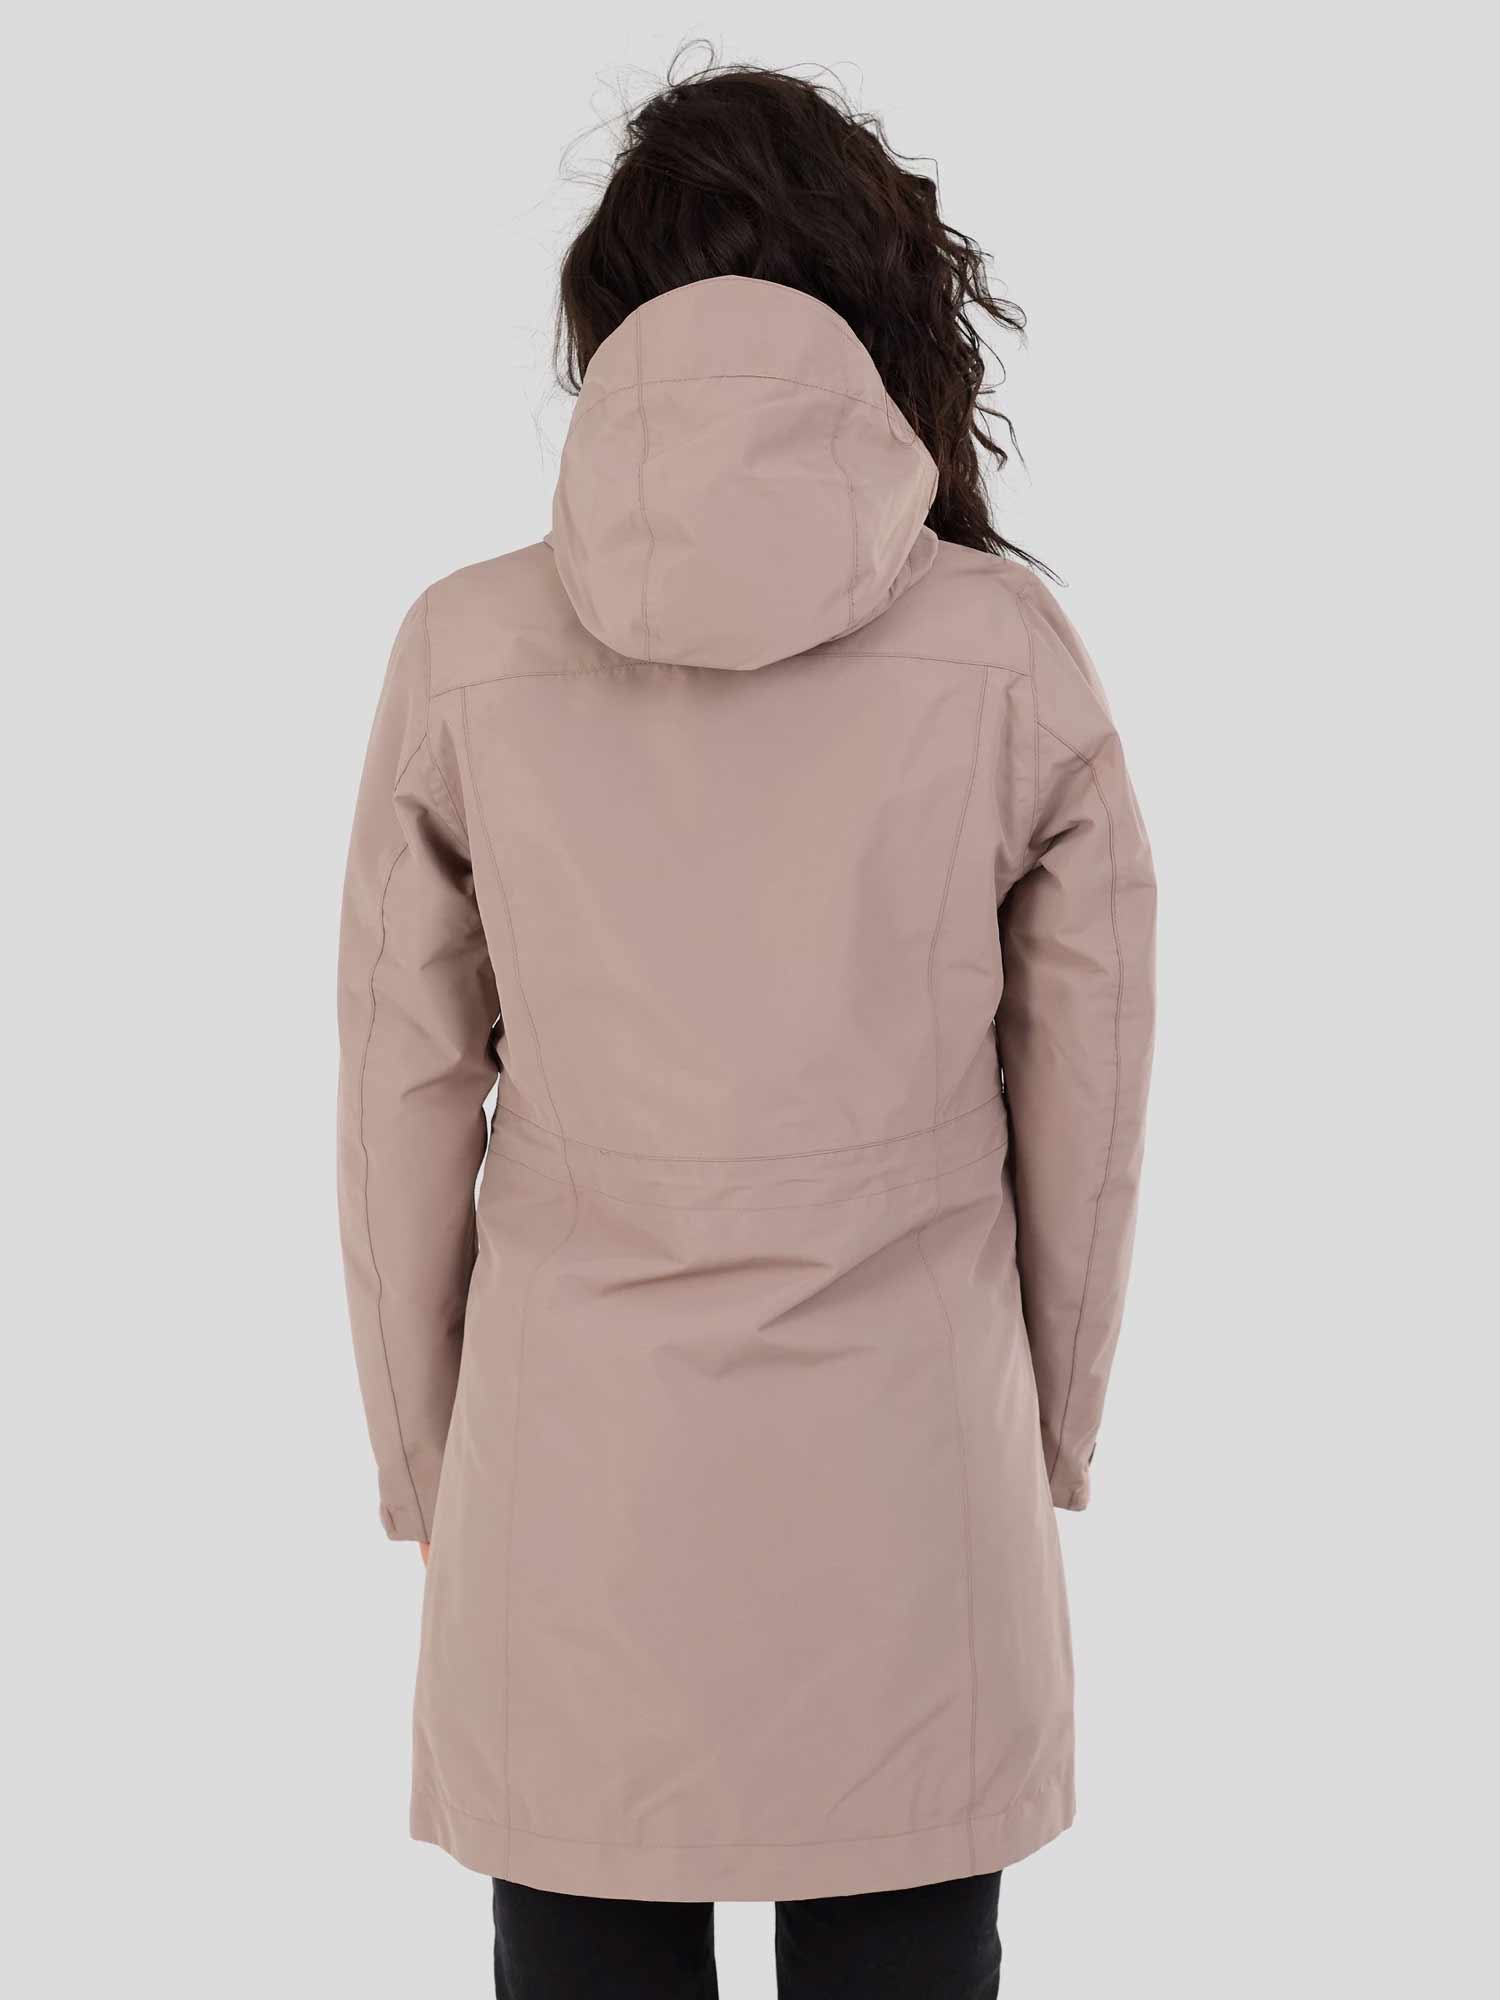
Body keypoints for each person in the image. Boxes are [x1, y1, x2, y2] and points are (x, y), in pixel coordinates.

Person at [337, 59, 1156, 2000]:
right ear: (886, 314)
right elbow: (1094, 1084)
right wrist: (1046, 1424)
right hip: (910, 1475)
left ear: (613, 320)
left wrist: (431, 1466)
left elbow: (397, 1094)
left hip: (571, 1483)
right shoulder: (1002, 649)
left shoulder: (466, 646)